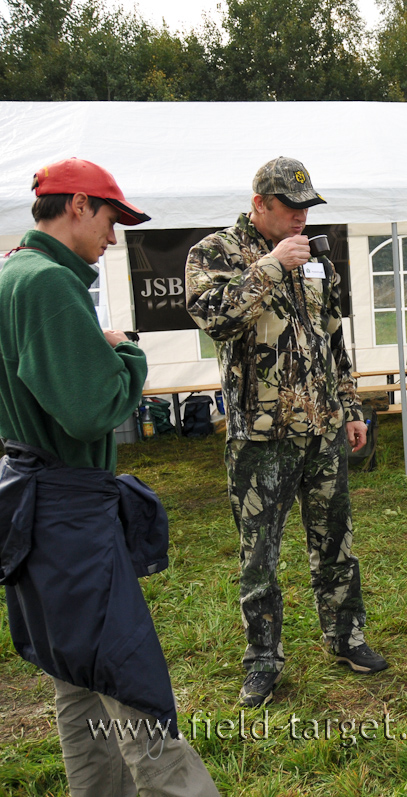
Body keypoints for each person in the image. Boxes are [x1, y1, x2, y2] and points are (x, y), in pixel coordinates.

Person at [0, 158, 219, 795]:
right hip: (69, 516)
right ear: (75, 205)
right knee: (130, 679)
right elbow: (92, 409)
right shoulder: (46, 283)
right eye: (111, 219)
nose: (115, 237)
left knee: (78, 680)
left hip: (38, 508)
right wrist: (124, 352)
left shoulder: (14, 272)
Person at [186, 156, 386, 709]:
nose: (301, 217)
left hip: (321, 429)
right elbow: (213, 318)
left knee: (335, 543)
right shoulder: (216, 252)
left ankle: (347, 638)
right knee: (260, 556)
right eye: (290, 207)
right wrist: (271, 266)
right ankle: (263, 661)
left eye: (307, 207)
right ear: (260, 206)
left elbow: (332, 338)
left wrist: (348, 408)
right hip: (261, 436)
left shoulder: (317, 257)